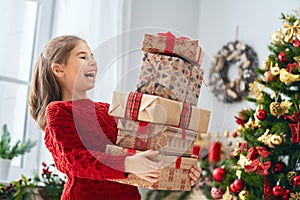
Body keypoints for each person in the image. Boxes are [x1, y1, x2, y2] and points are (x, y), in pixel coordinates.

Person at [28, 35, 202, 200]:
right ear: (59, 69)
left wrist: (183, 168)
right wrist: (128, 164)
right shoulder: (58, 111)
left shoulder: (107, 109)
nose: (93, 62)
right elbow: (73, 160)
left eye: (92, 56)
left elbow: (143, 147)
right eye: (83, 57)